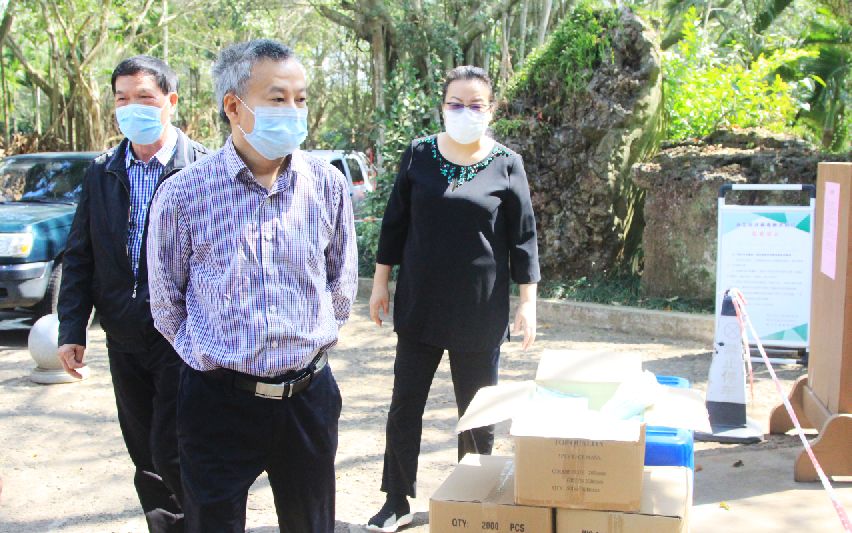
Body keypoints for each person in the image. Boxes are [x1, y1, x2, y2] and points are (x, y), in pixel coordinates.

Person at [146, 39, 358, 533]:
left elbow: (340, 284)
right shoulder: (184, 194)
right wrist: (208, 358)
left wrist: (307, 344)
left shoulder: (326, 185)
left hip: (307, 398)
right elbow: (166, 302)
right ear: (234, 106)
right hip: (218, 403)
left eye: (301, 99)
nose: (294, 111)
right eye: (278, 99)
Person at [366, 66, 541, 532]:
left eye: (476, 104)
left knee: (478, 411)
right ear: (442, 107)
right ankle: (396, 500)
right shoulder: (419, 154)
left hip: (479, 309)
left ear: (491, 110)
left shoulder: (507, 163)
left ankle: (472, 497)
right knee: (405, 405)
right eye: (456, 104)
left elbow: (523, 238)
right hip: (420, 303)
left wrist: (527, 302)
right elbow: (395, 223)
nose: (466, 112)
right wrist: (381, 283)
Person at [57, 55, 208, 532]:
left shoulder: (204, 168)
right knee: (145, 455)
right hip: (124, 337)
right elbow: (80, 254)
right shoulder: (102, 172)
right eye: (122, 99)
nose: (131, 108)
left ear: (170, 101)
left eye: (144, 97)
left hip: (183, 338)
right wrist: (71, 328)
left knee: (176, 448)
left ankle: (211, 522)